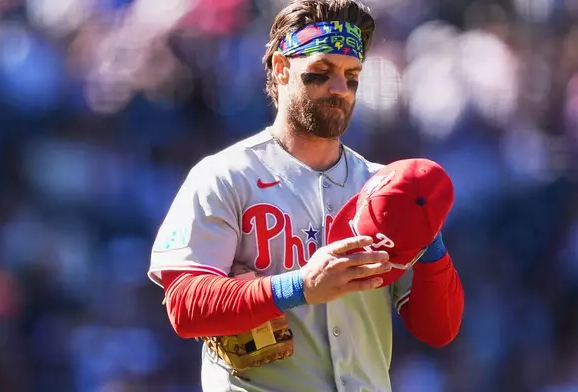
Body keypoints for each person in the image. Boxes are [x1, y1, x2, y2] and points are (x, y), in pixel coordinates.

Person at [147, 1, 464, 391]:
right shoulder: (226, 175)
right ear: (281, 68)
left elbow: (439, 329)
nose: (339, 89)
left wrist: (429, 236)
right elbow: (185, 306)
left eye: (352, 76)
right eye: (321, 72)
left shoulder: (382, 187)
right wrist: (298, 287)